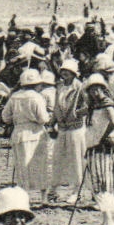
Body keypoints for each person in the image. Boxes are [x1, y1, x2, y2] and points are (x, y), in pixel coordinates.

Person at [82, 73, 114, 225]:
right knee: (97, 183)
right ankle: (105, 221)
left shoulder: (107, 104)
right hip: (93, 146)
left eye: (97, 89)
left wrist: (103, 136)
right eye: (92, 90)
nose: (95, 92)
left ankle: (110, 221)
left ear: (103, 89)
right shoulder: (93, 106)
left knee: (103, 182)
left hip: (102, 148)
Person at [3, 68, 52, 194]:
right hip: (36, 133)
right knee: (40, 166)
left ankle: (24, 196)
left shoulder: (15, 97)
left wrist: (17, 119)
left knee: (21, 167)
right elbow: (43, 118)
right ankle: (43, 197)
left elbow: (5, 117)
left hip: (19, 133)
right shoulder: (37, 97)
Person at [50, 59, 87, 203]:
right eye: (63, 71)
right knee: (58, 159)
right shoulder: (59, 87)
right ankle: (54, 190)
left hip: (75, 128)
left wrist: (76, 114)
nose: (64, 73)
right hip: (62, 128)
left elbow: (87, 107)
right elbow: (55, 107)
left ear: (74, 73)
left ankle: (78, 191)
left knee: (76, 160)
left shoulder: (80, 87)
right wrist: (52, 122)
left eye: (68, 71)